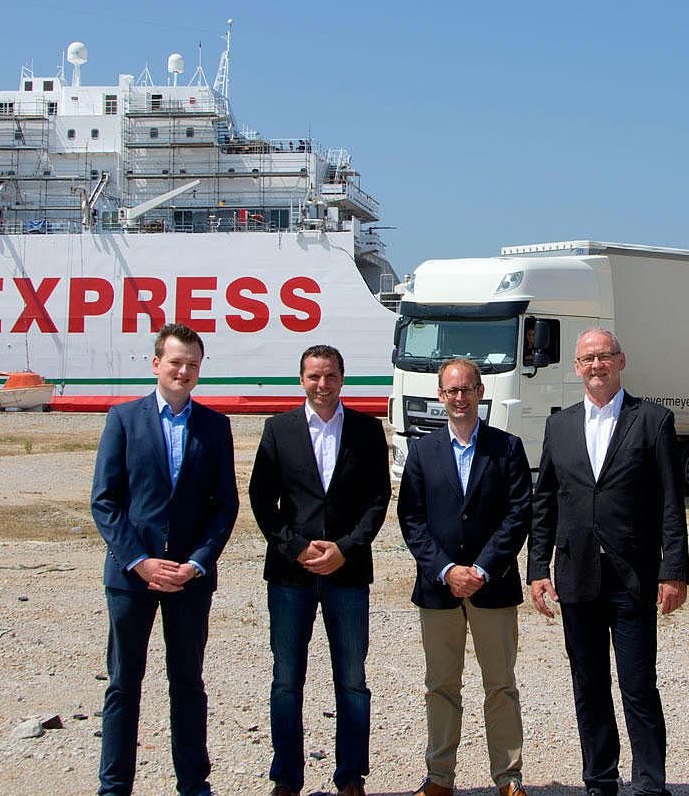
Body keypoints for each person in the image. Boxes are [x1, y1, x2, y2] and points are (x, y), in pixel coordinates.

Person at [528, 328, 689, 796]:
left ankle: (648, 783)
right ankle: (600, 779)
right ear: (576, 368)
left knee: (639, 686)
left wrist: (673, 570)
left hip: (633, 577)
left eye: (604, 357)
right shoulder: (559, 426)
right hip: (577, 576)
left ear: (621, 361)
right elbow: (546, 503)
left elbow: (670, 505)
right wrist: (538, 568)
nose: (596, 366)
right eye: (587, 359)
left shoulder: (653, 420)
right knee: (589, 686)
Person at [91, 323, 240, 796]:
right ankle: (114, 787)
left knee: (188, 684)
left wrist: (196, 563)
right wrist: (139, 561)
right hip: (132, 578)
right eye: (176, 362)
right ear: (157, 365)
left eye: (192, 364)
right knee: (123, 685)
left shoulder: (215, 427)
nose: (184, 371)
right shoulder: (123, 419)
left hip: (189, 579)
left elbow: (225, 506)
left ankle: (194, 784)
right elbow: (106, 501)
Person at [249, 344, 391, 796]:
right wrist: (295, 549)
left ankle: (351, 777)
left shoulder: (367, 430)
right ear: (302, 380)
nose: (322, 385)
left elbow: (378, 498)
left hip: (347, 574)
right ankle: (286, 778)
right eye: (314, 377)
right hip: (291, 576)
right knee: (287, 680)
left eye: (330, 376)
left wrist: (346, 548)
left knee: (352, 680)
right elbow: (261, 499)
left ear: (342, 378)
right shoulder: (279, 430)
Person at [397, 359, 533, 796]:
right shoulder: (422, 450)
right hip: (438, 590)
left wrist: (480, 569)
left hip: (492, 586)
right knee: (440, 686)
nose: (459, 398)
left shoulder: (507, 448)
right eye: (451, 390)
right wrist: (446, 570)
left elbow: (518, 516)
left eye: (467, 389)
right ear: (440, 395)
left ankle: (508, 777)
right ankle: (439, 778)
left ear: (480, 393)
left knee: (501, 685)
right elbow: (411, 519)